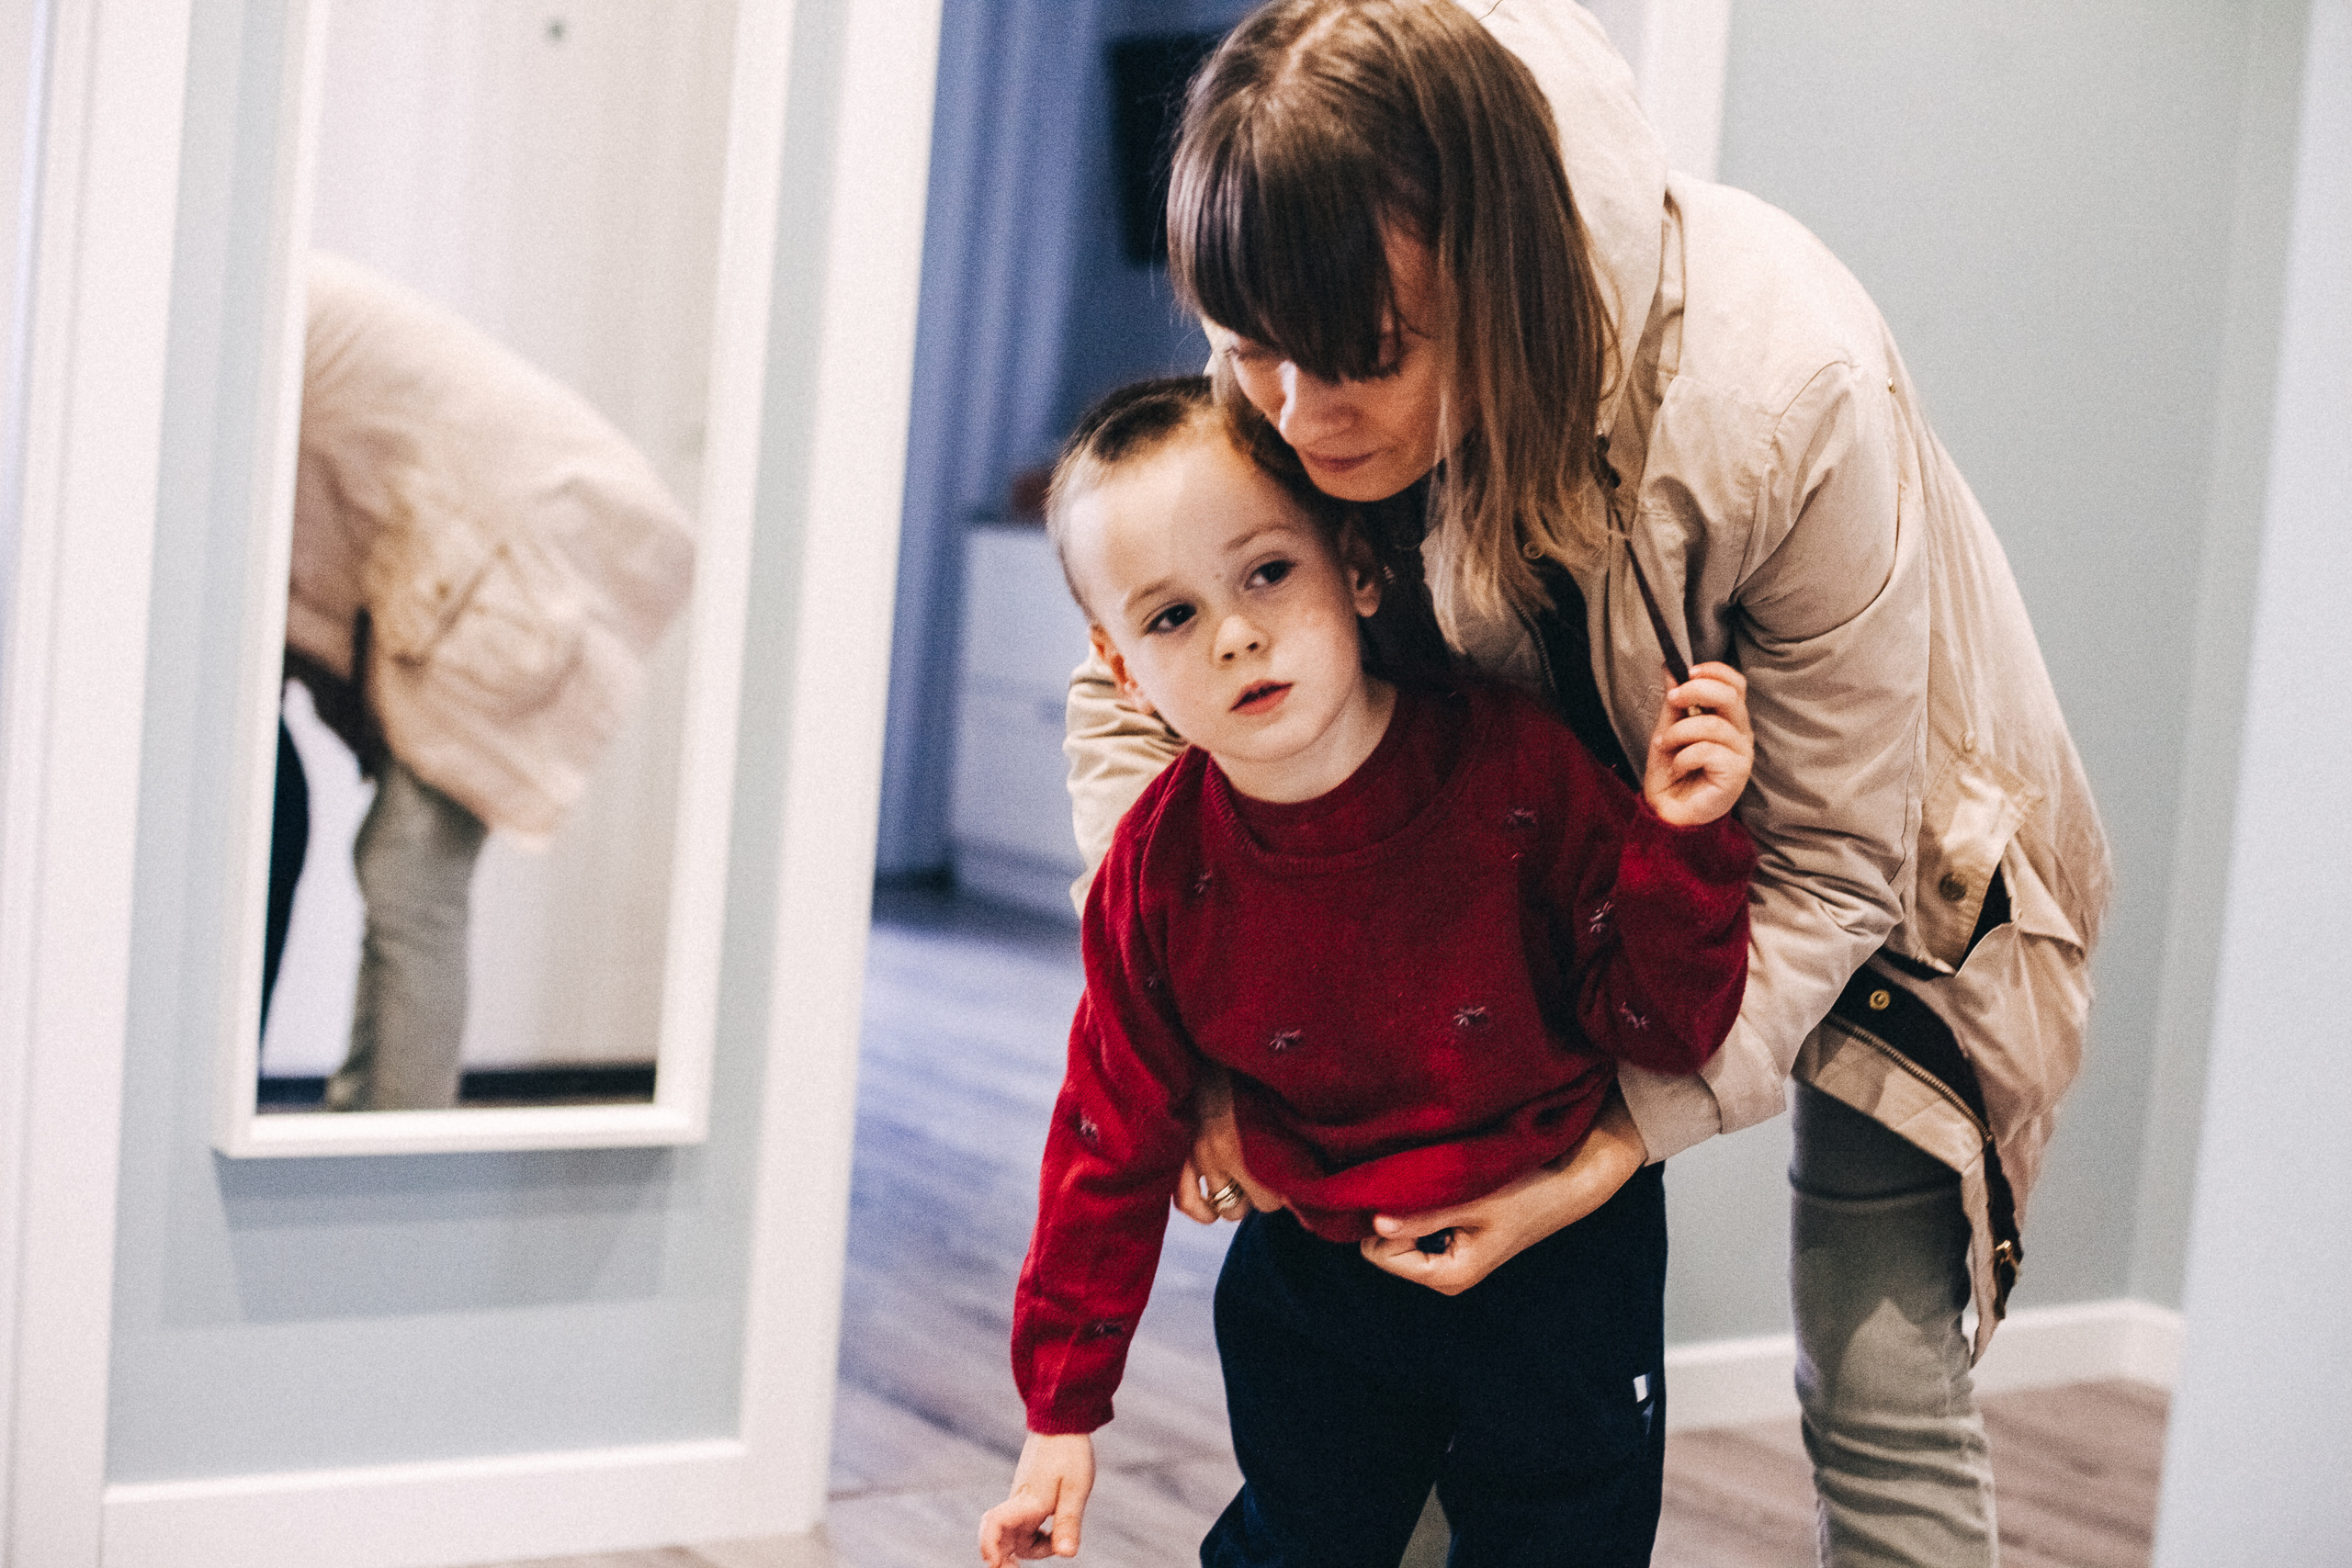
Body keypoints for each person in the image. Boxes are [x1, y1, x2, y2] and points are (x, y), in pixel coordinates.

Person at [1060, 5, 2112, 1564]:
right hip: (1549, 870)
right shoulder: (1301, 312)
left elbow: (1831, 863)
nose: (1293, 416)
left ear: (1494, 282)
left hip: (1901, 875)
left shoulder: (1786, 393)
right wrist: (1192, 1018)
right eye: (1246, 346)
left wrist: (1602, 1151)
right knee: (1411, 1384)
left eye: (1363, 362)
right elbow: (1141, 699)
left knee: (1879, 1384)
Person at [980, 377, 1758, 1566]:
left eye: (1266, 573)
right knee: (1299, 1542)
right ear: (1120, 666)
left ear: (1356, 568)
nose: (1235, 634)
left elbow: (1664, 1025)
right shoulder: (1155, 872)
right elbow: (1107, 1135)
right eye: (1173, 616)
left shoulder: (1518, 770)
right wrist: (1060, 1414)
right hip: (1316, 1277)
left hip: (1563, 1262)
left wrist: (1682, 843)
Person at [275, 253, 694, 1109]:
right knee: (404, 876)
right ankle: (366, 1131)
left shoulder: (266, 315)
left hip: (518, 566)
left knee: (411, 881)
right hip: (492, 558)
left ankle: (392, 1149)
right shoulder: (285, 302)